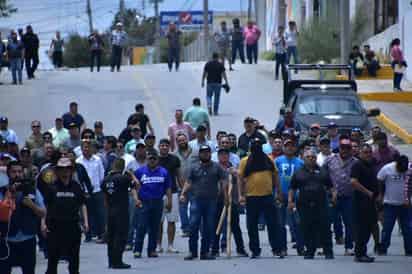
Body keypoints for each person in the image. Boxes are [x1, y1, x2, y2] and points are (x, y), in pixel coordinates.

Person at [180, 145, 228, 260]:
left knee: (208, 226)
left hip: (211, 201)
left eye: (207, 152)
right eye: (203, 152)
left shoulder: (216, 167)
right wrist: (183, 193)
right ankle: (192, 251)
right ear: (200, 154)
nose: (205, 154)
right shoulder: (194, 167)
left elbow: (224, 181)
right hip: (196, 200)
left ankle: (205, 252)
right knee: (193, 225)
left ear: (210, 154)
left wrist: (225, 196)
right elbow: (188, 182)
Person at [42, 158, 88, 274]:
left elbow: (82, 204)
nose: (65, 171)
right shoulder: (51, 187)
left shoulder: (76, 186)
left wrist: (86, 222)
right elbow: (45, 206)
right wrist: (43, 223)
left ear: (71, 170)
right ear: (57, 171)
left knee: (74, 260)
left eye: (68, 168)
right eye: (62, 169)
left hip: (72, 226)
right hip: (55, 227)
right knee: (53, 260)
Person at [0, 160, 46, 274]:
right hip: (7, 241)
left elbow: (43, 213)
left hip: (28, 239)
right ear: (8, 174)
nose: (17, 174)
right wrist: (8, 197)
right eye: (13, 172)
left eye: (19, 171)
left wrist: (32, 205)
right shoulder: (2, 191)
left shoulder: (32, 190)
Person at [238, 138, 281, 258]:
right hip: (251, 198)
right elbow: (240, 179)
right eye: (254, 145)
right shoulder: (244, 161)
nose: (256, 147)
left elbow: (275, 176)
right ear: (251, 147)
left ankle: (276, 249)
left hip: (267, 196)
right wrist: (241, 195)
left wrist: (278, 192)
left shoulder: (269, 159)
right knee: (251, 226)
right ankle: (255, 250)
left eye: (258, 145)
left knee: (273, 224)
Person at [289, 148, 335, 259]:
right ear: (304, 159)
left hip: (321, 204)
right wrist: (290, 201)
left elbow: (331, 187)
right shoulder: (298, 172)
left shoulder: (323, 171)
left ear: (316, 158)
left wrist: (333, 196)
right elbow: (292, 188)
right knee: (307, 228)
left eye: (313, 157)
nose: (311, 159)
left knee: (324, 228)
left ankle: (328, 251)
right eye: (308, 157)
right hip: (304, 205)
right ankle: (310, 251)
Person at [133, 150, 172, 258]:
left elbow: (168, 188)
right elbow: (133, 188)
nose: (152, 160)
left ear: (157, 160)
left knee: (155, 227)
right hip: (144, 202)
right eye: (150, 158)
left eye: (154, 159)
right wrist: (136, 199)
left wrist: (169, 201)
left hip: (158, 202)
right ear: (147, 159)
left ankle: (152, 250)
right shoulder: (140, 172)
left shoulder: (164, 172)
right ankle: (137, 250)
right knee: (141, 226)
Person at [102, 158, 139, 269]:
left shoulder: (106, 179)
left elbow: (104, 196)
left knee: (111, 236)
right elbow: (136, 185)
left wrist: (108, 209)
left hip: (110, 210)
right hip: (121, 210)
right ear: (123, 167)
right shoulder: (123, 178)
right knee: (120, 235)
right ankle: (118, 261)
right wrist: (131, 174)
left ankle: (111, 261)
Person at [323, 138, 357, 255]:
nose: (345, 150)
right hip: (332, 197)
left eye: (348, 148)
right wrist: (328, 189)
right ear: (339, 148)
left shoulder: (356, 162)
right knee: (329, 221)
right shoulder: (330, 160)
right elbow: (323, 175)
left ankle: (349, 247)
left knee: (349, 222)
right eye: (343, 147)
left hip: (349, 197)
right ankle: (327, 247)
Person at [211, 148, 248, 257]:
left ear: (228, 156)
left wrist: (236, 174)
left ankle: (240, 249)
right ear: (218, 156)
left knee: (235, 225)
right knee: (216, 225)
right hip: (218, 200)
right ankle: (214, 249)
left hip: (232, 200)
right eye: (221, 154)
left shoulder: (234, 168)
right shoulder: (215, 168)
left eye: (225, 154)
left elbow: (243, 181)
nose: (223, 156)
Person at [377, 155, 412, 256]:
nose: (402, 171)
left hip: (405, 205)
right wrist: (381, 194)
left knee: (408, 229)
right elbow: (379, 179)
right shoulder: (387, 168)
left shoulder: (409, 169)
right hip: (390, 204)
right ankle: (383, 249)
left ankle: (409, 250)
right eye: (400, 169)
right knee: (387, 228)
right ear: (396, 164)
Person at [275, 138, 304, 256]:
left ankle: (301, 247)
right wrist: (276, 193)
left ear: (295, 148)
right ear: (283, 148)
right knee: (281, 223)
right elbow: (274, 179)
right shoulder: (277, 161)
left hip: (296, 197)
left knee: (297, 223)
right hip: (281, 196)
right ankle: (283, 248)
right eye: (287, 146)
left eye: (292, 146)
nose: (289, 148)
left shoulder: (300, 162)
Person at [351, 143, 379, 263]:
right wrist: (367, 192)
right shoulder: (357, 165)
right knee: (362, 229)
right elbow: (353, 182)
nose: (368, 154)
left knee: (369, 227)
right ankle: (359, 254)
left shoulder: (371, 165)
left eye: (369, 152)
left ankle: (363, 253)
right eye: (365, 152)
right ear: (360, 154)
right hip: (360, 203)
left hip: (371, 202)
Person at [76, 141, 106, 243]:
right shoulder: (78, 161)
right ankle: (88, 234)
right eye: (84, 147)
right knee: (86, 214)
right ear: (81, 149)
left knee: (100, 213)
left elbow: (102, 175)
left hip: (97, 190)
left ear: (92, 148)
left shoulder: (97, 160)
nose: (87, 149)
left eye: (88, 147)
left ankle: (101, 234)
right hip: (84, 191)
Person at [157, 139, 183, 253]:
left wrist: (182, 190)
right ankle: (158, 245)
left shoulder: (174, 159)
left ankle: (170, 245)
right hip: (158, 194)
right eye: (161, 145)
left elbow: (178, 175)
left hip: (173, 192)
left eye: (166, 146)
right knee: (159, 221)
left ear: (169, 147)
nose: (163, 147)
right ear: (159, 147)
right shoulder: (155, 160)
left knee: (171, 220)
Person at [174, 132, 194, 236]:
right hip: (180, 186)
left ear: (187, 140)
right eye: (180, 140)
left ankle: (193, 226)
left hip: (194, 185)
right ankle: (186, 229)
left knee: (194, 207)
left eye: (183, 140)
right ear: (177, 142)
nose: (182, 142)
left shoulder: (195, 152)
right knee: (182, 208)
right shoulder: (174, 154)